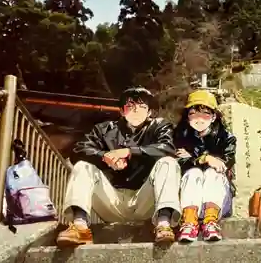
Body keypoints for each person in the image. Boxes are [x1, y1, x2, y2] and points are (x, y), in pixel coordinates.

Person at [56, 87, 182, 247]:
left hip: (145, 199)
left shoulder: (159, 126)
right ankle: (80, 226)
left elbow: (167, 148)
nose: (136, 111)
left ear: (150, 112)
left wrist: (130, 152)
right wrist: (104, 157)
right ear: (122, 111)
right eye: (130, 106)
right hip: (111, 201)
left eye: (142, 107)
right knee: (83, 166)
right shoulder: (103, 129)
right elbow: (79, 149)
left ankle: (164, 224)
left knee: (169, 162)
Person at [174, 90, 236, 243]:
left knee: (212, 173)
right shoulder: (179, 136)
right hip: (189, 199)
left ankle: (211, 221)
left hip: (219, 200)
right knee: (194, 173)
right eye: (193, 114)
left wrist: (193, 158)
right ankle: (189, 222)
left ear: (214, 116)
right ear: (187, 116)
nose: (199, 119)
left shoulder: (226, 138)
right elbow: (178, 162)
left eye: (205, 114)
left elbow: (224, 164)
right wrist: (204, 158)